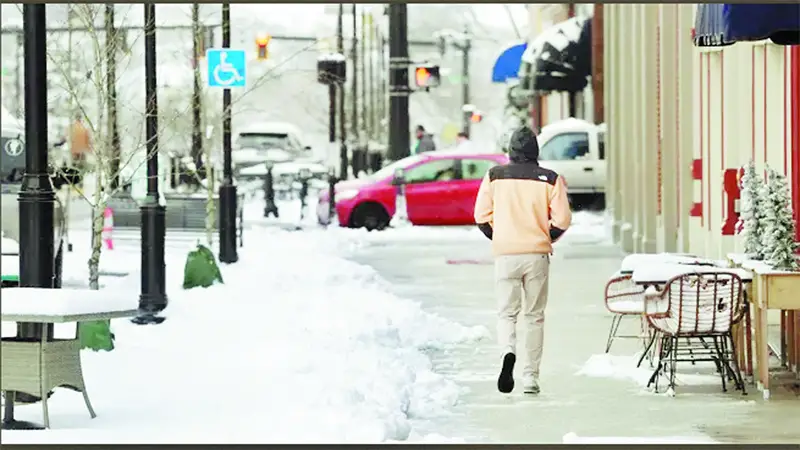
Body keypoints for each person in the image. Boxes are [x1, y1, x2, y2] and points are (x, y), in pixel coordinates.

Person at [472, 126, 572, 395]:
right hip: (536, 255)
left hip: (506, 255)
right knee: (535, 316)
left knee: (507, 313)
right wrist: (544, 235)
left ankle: (508, 352)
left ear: (511, 151)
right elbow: (563, 219)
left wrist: (500, 236)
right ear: (535, 150)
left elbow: (481, 216)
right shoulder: (550, 179)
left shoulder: (494, 177)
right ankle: (531, 377)